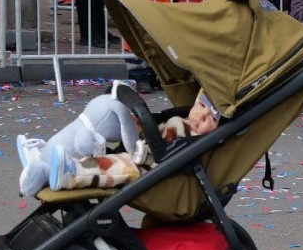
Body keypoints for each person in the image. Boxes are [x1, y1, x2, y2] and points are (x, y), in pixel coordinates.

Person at [15, 81, 220, 195]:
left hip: (148, 166)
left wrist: (147, 152)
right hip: (142, 149)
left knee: (108, 166)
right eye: (201, 106)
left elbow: (171, 154)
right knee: (95, 135)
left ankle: (69, 173)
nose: (201, 117)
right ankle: (44, 155)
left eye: (212, 118)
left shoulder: (196, 141)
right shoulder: (181, 118)